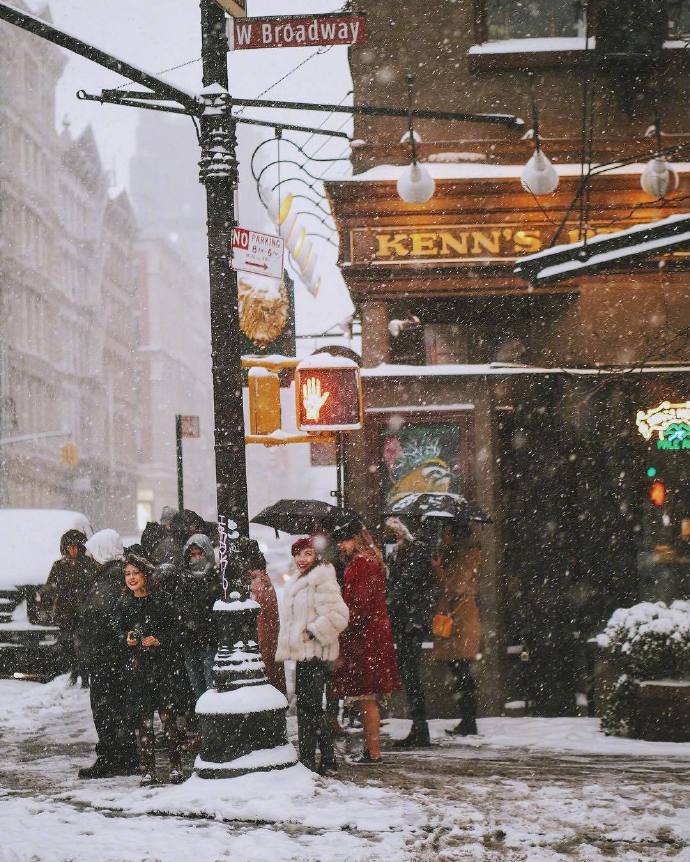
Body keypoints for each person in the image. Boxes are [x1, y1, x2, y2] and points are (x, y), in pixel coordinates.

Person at [275, 537, 349, 774]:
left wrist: (313, 631)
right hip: (303, 654)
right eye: (297, 554)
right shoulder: (300, 580)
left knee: (311, 708)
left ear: (316, 556)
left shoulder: (322, 579)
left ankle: (313, 761)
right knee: (310, 708)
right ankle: (322, 760)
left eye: (307, 553)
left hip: (317, 654)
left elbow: (339, 615)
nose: (301, 559)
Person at [331, 520, 401, 765]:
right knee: (366, 698)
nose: (341, 546)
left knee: (366, 697)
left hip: (364, 639)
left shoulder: (361, 564)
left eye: (344, 541)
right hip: (373, 636)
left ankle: (373, 752)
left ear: (355, 540)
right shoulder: (372, 561)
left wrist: (343, 621)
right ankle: (372, 750)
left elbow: (359, 605)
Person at [116, 553, 183, 786]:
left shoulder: (162, 600)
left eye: (135, 573)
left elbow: (178, 631)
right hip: (138, 669)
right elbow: (116, 633)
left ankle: (176, 766)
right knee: (143, 721)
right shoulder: (123, 604)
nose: (131, 578)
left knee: (168, 719)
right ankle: (148, 769)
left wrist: (160, 639)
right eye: (127, 574)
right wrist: (126, 638)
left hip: (163, 667)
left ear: (146, 575)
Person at [76, 529, 138, 779]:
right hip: (111, 657)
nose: (90, 558)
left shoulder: (109, 581)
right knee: (118, 708)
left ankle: (112, 757)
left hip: (107, 658)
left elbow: (106, 620)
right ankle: (124, 755)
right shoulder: (113, 577)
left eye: (93, 553)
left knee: (106, 709)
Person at [385, 517, 436, 748]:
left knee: (411, 674)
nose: (393, 536)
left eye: (396, 532)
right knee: (409, 675)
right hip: (406, 620)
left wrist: (390, 599)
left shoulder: (417, 552)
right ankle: (418, 727)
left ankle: (421, 729)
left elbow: (407, 584)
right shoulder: (402, 552)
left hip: (411, 621)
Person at [431, 521, 482, 736]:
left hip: (461, 622)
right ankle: (467, 720)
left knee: (461, 670)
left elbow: (454, 587)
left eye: (445, 532)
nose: (443, 536)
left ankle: (469, 720)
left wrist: (438, 568)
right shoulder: (460, 555)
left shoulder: (465, 556)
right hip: (458, 620)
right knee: (460, 670)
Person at [45, 529, 96, 687]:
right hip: (66, 613)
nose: (73, 550)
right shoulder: (59, 566)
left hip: (85, 612)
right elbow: (50, 587)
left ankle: (85, 676)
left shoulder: (89, 564)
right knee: (68, 646)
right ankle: (74, 672)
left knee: (84, 646)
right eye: (69, 547)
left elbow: (94, 588)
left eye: (75, 546)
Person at [239, 538, 286, 695]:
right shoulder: (262, 580)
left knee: (266, 674)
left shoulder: (257, 583)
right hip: (267, 640)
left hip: (262, 641)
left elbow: (261, 619)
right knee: (272, 672)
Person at [175, 533, 219, 698]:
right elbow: (179, 609)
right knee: (198, 691)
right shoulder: (182, 580)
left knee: (211, 690)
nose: (196, 558)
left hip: (210, 643)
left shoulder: (215, 579)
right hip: (190, 642)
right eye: (192, 555)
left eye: (200, 554)